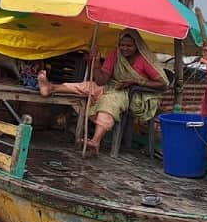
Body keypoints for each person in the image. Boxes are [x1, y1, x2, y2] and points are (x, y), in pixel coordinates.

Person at [36, 29, 169, 154]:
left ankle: (95, 142)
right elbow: (101, 80)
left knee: (109, 100)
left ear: (137, 46)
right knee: (90, 86)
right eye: (122, 45)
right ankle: (51, 87)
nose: (125, 48)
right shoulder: (115, 55)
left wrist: (135, 82)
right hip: (116, 87)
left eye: (129, 46)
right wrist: (96, 61)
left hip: (138, 95)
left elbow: (163, 84)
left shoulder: (144, 60)